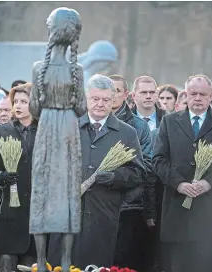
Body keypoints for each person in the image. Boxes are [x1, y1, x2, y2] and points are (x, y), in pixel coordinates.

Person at [48, 74, 145, 269]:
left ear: (114, 100)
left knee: (95, 265)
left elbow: (138, 174)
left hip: (103, 214)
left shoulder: (126, 133)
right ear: (86, 98)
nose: (100, 104)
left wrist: (114, 178)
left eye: (106, 100)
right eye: (95, 99)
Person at [29, 8, 86, 272]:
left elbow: (34, 108)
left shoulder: (39, 68)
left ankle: (40, 262)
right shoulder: (78, 70)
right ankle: (65, 259)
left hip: (47, 129)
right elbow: (82, 107)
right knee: (69, 192)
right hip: (69, 132)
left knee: (42, 190)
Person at [152, 74, 212, 272]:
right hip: (177, 209)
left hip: (211, 212)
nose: (198, 98)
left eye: (203, 94)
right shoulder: (169, 122)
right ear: (186, 94)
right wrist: (179, 184)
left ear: (211, 97)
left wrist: (209, 183)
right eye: (193, 94)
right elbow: (158, 160)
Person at [0, 83, 38, 272]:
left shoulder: (45, 132)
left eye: (24, 101)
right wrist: (1, 177)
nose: (18, 106)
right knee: (7, 260)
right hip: (10, 211)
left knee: (33, 263)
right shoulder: (3, 131)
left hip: (37, 212)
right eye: (16, 101)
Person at [109, 74, 155, 272]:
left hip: (127, 205)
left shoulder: (138, 126)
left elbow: (145, 165)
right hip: (94, 203)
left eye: (117, 91)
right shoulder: (86, 123)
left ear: (126, 94)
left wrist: (115, 175)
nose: (111, 96)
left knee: (123, 261)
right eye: (107, 91)